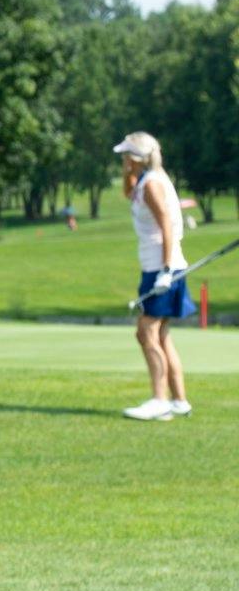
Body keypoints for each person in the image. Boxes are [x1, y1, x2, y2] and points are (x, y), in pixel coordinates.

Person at [114, 132, 190, 421]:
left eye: (125, 156)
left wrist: (167, 270)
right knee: (160, 334)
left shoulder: (153, 186)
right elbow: (128, 193)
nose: (122, 159)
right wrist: (127, 173)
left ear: (135, 158)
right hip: (156, 267)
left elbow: (167, 227)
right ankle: (179, 400)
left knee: (145, 331)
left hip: (162, 268)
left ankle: (160, 400)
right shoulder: (147, 181)